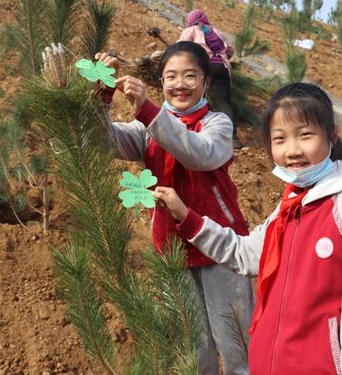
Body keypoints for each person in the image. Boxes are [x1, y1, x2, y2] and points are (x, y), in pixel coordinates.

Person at [154, 82, 342, 375]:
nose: (292, 150)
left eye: (305, 135)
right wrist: (188, 217)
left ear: (332, 134)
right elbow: (245, 254)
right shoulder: (291, 204)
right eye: (280, 139)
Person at [96, 41, 253, 375]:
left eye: (190, 76)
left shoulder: (218, 125)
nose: (179, 84)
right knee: (193, 353)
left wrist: (150, 112)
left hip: (220, 250)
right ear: (161, 83)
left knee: (238, 347)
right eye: (171, 77)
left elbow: (197, 153)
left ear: (206, 82)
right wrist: (101, 95)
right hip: (172, 254)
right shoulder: (147, 129)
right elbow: (102, 139)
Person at [178, 9, 242, 148]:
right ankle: (233, 139)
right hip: (222, 68)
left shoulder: (191, 30)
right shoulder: (215, 31)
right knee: (224, 102)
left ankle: (196, 132)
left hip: (205, 67)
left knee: (197, 99)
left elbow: (180, 47)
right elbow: (229, 50)